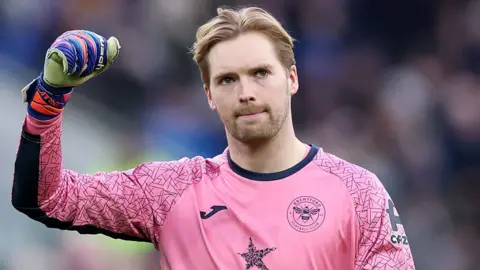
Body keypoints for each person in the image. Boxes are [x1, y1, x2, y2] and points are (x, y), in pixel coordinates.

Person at [11, 6, 415, 270]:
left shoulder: (357, 193)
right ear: (209, 95)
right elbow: (46, 198)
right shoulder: (170, 191)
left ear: (291, 78)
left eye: (260, 73)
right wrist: (49, 99)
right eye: (227, 79)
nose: (246, 92)